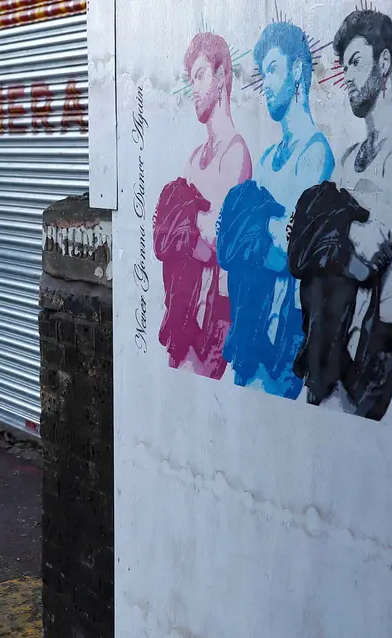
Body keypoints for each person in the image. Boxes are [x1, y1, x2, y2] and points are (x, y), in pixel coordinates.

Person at [294, 9, 392, 419]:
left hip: (368, 352)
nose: (346, 77)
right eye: (342, 66)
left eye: (355, 62)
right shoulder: (349, 158)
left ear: (384, 63)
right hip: (325, 341)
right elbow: (312, 244)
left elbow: (370, 251)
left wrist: (326, 224)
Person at [217, 22, 334, 398]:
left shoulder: (315, 153)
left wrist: (253, 230)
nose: (264, 83)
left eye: (272, 69)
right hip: (252, 329)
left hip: (286, 337)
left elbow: (288, 250)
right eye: (262, 72)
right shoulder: (267, 159)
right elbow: (235, 239)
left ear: (297, 71)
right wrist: (257, 231)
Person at [154, 32, 251, 379]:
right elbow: (164, 229)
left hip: (212, 316)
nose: (192, 89)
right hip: (182, 309)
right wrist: (184, 227)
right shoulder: (194, 157)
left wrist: (183, 225)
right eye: (189, 79)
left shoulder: (235, 153)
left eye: (199, 76)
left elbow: (210, 241)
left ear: (222, 75)